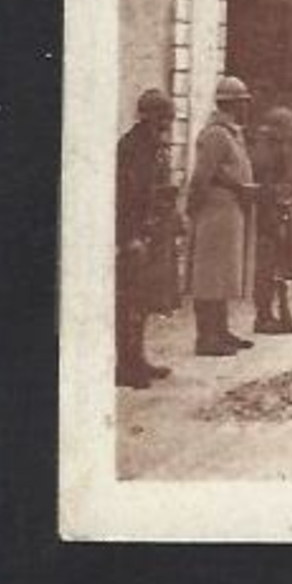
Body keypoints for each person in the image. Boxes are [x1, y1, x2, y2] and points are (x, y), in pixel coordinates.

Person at [185, 75, 259, 357]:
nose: (245, 108)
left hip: (229, 212)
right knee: (210, 275)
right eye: (242, 103)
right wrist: (194, 209)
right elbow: (202, 176)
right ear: (231, 104)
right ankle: (206, 337)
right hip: (214, 212)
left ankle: (220, 330)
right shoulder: (216, 134)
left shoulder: (231, 132)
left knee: (223, 273)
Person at [116, 88, 179, 387]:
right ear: (150, 117)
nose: (167, 125)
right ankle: (125, 365)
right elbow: (126, 196)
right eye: (164, 118)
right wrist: (129, 236)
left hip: (152, 232)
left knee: (142, 301)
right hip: (135, 236)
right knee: (129, 301)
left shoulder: (155, 147)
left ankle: (137, 358)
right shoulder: (131, 148)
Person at [249, 105, 292, 335]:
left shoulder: (273, 146)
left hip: (273, 210)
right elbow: (267, 186)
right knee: (266, 266)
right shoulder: (266, 151)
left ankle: (267, 313)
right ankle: (263, 315)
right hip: (266, 213)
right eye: (289, 128)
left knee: (272, 265)